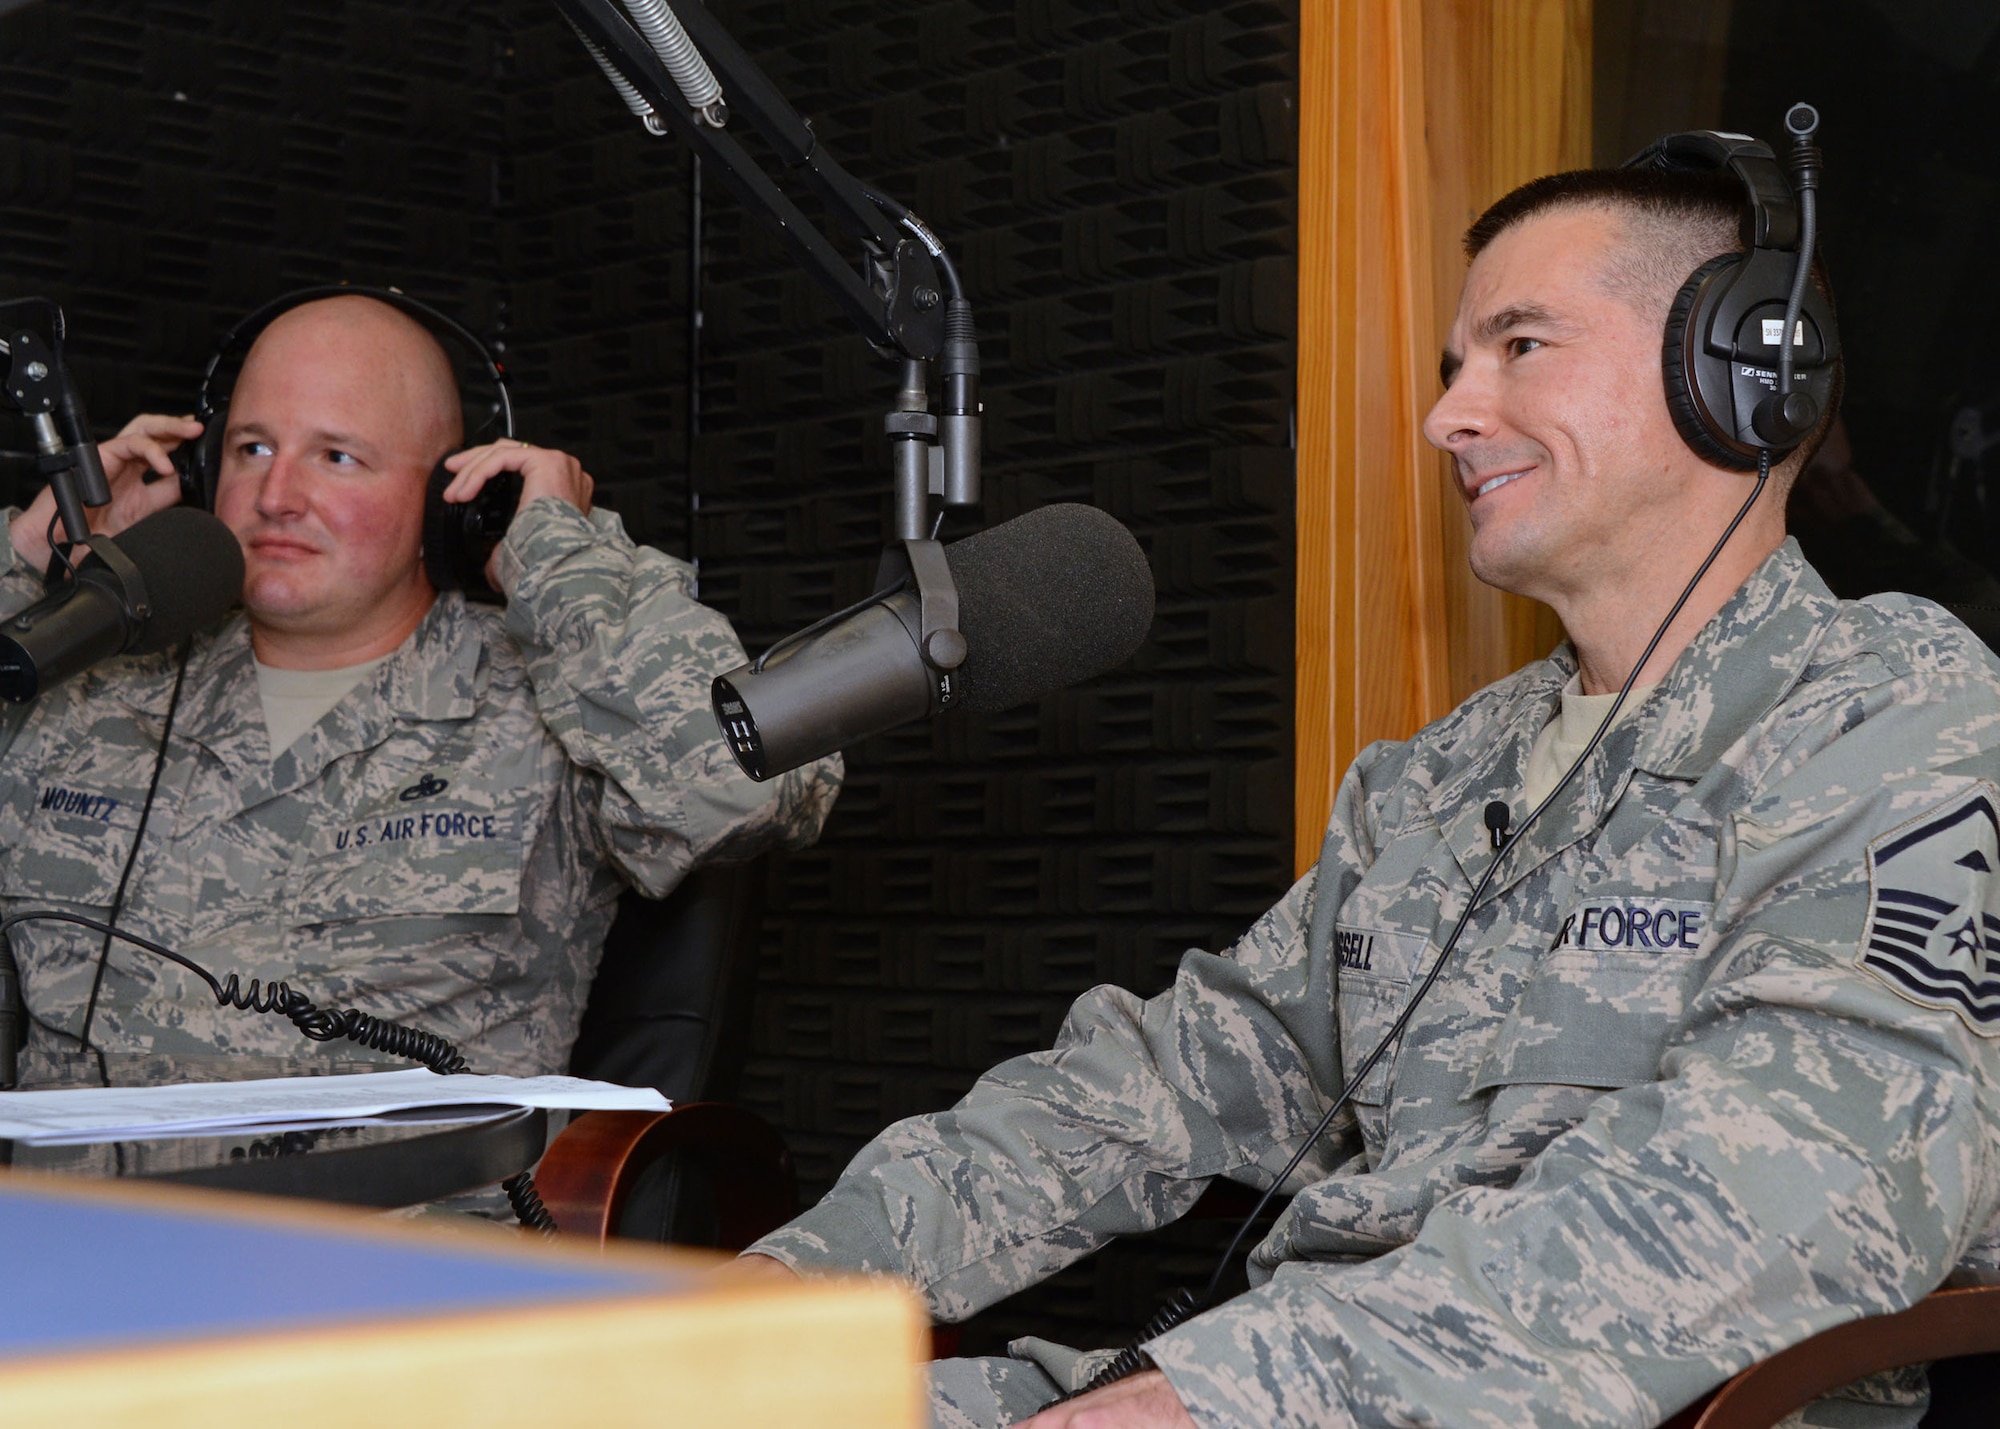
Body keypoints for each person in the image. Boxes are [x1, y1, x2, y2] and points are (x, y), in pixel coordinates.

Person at [739, 163, 2000, 1427]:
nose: (1449, 415)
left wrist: (1232, 1394)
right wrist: (789, 1290)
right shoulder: (1435, 775)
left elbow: (1800, 1192)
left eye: (1519, 346)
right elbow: (1155, 1082)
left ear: (1739, 375)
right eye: (1455, 364)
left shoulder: (1890, 710)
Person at [0, 293, 839, 1100]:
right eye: (251, 448)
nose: (275, 496)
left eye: (337, 456)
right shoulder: (96, 679)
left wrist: (560, 563)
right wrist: (26, 564)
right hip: (73, 1234)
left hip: (392, 1240)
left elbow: (738, 789)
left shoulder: (549, 707)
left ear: (455, 499)